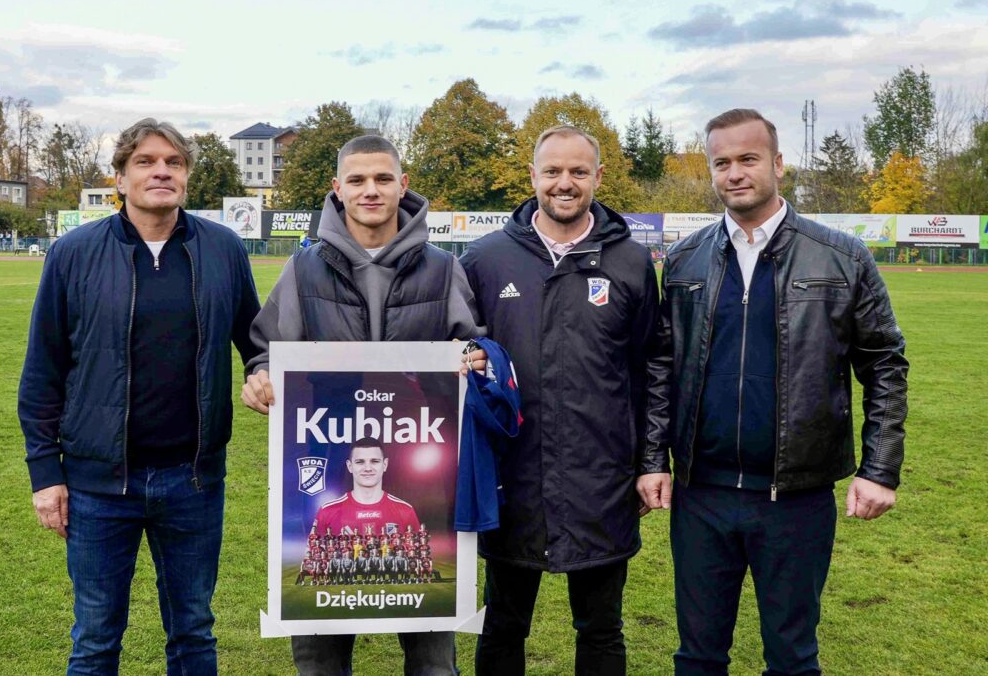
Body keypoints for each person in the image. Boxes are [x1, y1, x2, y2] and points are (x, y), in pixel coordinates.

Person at [657, 108, 908, 675]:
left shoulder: (841, 256)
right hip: (701, 495)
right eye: (721, 162)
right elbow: (660, 367)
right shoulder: (684, 259)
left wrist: (880, 469)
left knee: (793, 657)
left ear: (777, 164)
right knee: (697, 656)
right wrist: (653, 459)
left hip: (795, 497)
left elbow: (885, 364)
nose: (734, 173)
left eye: (748, 159)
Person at [17, 118, 261, 675]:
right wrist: (45, 473)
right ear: (120, 178)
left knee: (193, 631)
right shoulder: (73, 252)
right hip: (98, 485)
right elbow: (42, 371)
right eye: (146, 162)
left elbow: (257, 340)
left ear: (187, 176)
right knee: (95, 639)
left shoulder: (222, 248)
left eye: (174, 162)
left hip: (193, 481)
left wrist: (264, 368)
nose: (161, 172)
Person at [241, 133, 480, 676]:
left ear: (403, 184)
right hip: (326, 463)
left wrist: (476, 360)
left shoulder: (443, 268)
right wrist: (259, 375)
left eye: (382, 178)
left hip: (424, 465)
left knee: (432, 653)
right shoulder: (302, 269)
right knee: (320, 652)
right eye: (357, 180)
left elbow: (473, 345)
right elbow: (266, 349)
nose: (370, 190)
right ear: (337, 188)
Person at [458, 125, 671, 675]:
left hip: (601, 477)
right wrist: (464, 359)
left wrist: (650, 461)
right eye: (552, 171)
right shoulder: (485, 259)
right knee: (502, 625)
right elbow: (452, 352)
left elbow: (652, 366)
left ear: (598, 176)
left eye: (578, 171)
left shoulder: (631, 262)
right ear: (532, 176)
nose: (565, 183)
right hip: (512, 475)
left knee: (600, 628)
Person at [314, 442, 421, 541]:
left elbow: (417, 552)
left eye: (375, 461)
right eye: (360, 462)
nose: (368, 468)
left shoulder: (405, 511)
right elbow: (313, 552)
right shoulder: (327, 512)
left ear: (385, 464)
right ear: (350, 466)